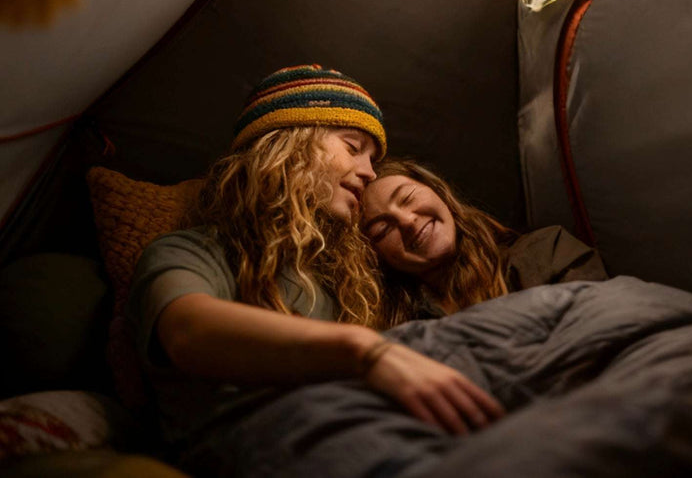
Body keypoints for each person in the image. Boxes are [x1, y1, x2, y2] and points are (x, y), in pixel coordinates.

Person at [126, 65, 504, 468]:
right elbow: (188, 332)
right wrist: (363, 351)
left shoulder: (346, 278)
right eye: (353, 147)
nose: (369, 172)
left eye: (373, 158)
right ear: (292, 146)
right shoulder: (193, 250)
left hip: (382, 440)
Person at [361, 158, 608, 326]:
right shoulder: (398, 327)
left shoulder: (547, 251)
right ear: (376, 255)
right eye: (383, 229)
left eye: (407, 198)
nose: (408, 221)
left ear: (440, 193)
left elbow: (604, 328)